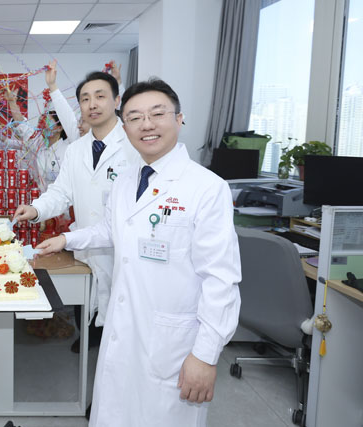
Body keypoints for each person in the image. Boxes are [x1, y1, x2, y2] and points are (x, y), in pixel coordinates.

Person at [37, 78, 241, 426]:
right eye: (135, 117)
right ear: (125, 125)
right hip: (124, 326)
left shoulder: (206, 188)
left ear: (179, 119)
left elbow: (221, 280)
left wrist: (206, 355)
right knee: (115, 412)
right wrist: (66, 240)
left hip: (172, 341)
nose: (146, 125)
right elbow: (111, 229)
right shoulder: (127, 180)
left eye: (157, 114)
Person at [12, 69, 138, 353]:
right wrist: (35, 209)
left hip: (124, 252)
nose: (92, 104)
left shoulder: (134, 146)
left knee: (126, 328)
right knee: (92, 311)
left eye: (100, 96)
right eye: (85, 98)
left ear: (117, 100)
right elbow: (61, 192)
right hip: (87, 248)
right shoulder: (77, 149)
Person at [5, 88, 71, 191]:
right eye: (42, 121)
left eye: (48, 121)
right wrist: (11, 102)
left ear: (59, 128)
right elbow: (21, 125)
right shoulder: (38, 143)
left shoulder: (68, 150)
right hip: (41, 198)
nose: (43, 125)